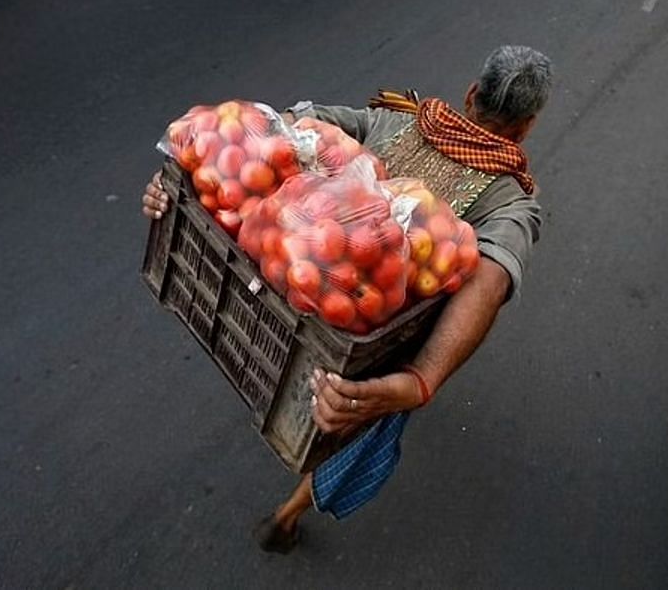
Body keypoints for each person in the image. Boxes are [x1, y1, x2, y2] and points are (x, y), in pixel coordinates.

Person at [142, 46, 552, 553]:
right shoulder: (509, 201)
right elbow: (491, 280)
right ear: (527, 127)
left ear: (472, 94)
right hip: (359, 335)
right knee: (358, 422)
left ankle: (291, 508)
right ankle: (289, 514)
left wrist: (194, 175)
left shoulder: (396, 121)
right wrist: (420, 381)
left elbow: (288, 131)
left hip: (284, 267)